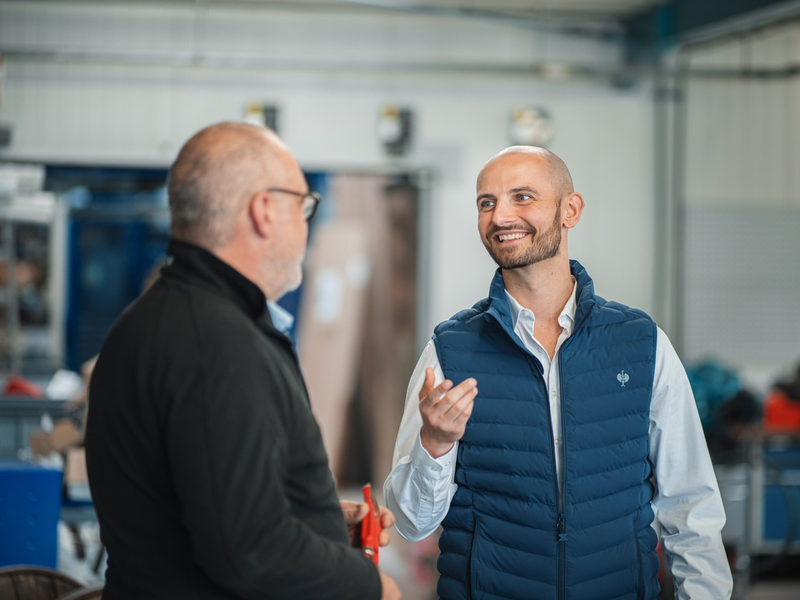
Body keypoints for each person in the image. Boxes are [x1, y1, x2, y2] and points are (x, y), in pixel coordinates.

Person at [384, 146, 732, 599]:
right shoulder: (448, 352)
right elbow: (411, 524)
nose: (500, 215)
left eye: (522, 197)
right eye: (486, 202)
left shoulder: (641, 345)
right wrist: (435, 444)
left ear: (571, 209)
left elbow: (691, 506)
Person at [85, 122, 401, 600]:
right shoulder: (214, 344)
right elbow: (250, 552)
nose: (306, 225)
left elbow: (205, 494)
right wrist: (370, 585)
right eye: (304, 206)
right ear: (264, 211)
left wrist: (316, 518)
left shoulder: (163, 318)